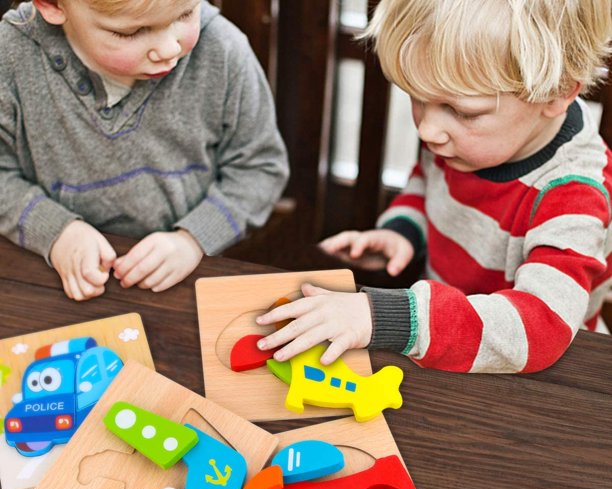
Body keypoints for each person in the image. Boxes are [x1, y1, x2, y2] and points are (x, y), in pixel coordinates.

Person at [257, 0, 612, 374]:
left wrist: (387, 318)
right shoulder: (468, 140)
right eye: (416, 99)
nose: (427, 130)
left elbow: (538, 329)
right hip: (447, 350)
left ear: (555, 94)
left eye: (462, 111)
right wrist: (404, 233)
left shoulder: (576, 195)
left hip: (544, 379)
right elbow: (428, 181)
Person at [0, 0, 288, 300]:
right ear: (52, 6)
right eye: (132, 32)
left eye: (186, 14)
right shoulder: (10, 55)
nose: (168, 49)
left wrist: (194, 239)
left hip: (185, 282)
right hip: (49, 283)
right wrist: (54, 231)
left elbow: (260, 168)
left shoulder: (224, 49)